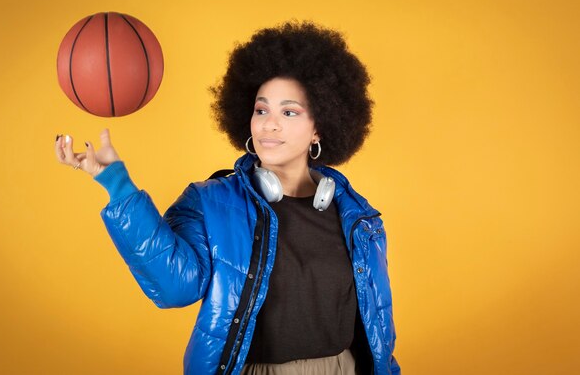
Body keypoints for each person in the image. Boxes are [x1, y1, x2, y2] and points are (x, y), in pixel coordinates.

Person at [54, 21, 400, 375]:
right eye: (261, 110)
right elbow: (174, 288)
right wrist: (115, 183)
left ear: (319, 128)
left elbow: (377, 329)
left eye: (289, 112)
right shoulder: (210, 202)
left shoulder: (358, 218)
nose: (269, 124)